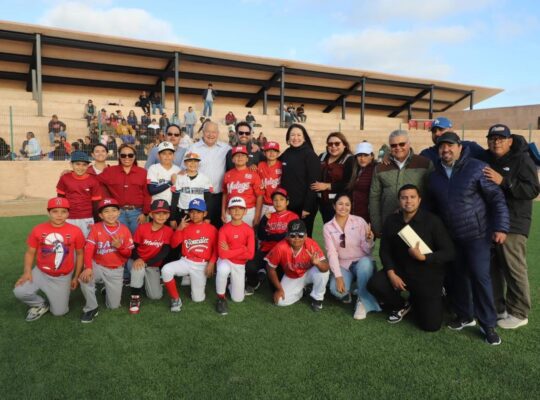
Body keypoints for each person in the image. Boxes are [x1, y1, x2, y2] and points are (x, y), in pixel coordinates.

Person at [428, 132, 509, 345]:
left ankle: (488, 324)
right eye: (442, 147)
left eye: (450, 146)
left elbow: (496, 198)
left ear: (460, 147)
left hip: (477, 235)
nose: (446, 150)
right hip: (452, 237)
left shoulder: (476, 168)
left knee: (480, 278)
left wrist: (501, 227)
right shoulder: (435, 175)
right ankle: (465, 315)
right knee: (458, 277)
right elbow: (432, 206)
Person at [367, 184, 455, 331]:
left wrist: (424, 257)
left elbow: (449, 252)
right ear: (399, 201)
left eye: (412, 197)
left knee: (430, 326)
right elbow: (385, 251)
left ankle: (426, 298)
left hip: (427, 274)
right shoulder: (391, 220)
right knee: (376, 284)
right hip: (401, 271)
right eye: (404, 198)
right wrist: (391, 273)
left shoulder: (432, 221)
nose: (408, 201)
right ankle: (402, 305)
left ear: (419, 200)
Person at [482, 124, 540, 329]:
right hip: (491, 222)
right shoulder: (488, 158)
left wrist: (504, 181)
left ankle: (519, 312)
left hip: (514, 223)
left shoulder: (522, 159)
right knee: (493, 268)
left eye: (500, 138)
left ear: (509, 141)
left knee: (513, 267)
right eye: (492, 138)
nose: (496, 142)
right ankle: (499, 308)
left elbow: (532, 190)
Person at [13, 197, 85, 321]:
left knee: (59, 312)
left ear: (68, 213)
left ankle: (56, 297)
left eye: (63, 211)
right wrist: (27, 271)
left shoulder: (75, 231)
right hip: (41, 272)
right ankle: (40, 304)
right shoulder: (38, 229)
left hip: (62, 276)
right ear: (48, 212)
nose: (59, 215)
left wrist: (75, 277)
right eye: (55, 211)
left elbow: (80, 254)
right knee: (20, 291)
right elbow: (30, 253)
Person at [323, 193, 381, 320]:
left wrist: (369, 240)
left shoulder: (359, 221)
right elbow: (331, 253)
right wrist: (338, 276)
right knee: (337, 291)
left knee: (365, 263)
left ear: (351, 206)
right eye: (340, 204)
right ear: (334, 206)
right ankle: (357, 287)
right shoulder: (327, 227)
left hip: (362, 262)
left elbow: (368, 250)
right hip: (343, 264)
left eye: (347, 204)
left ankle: (362, 301)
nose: (344, 207)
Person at [78, 198, 134, 323]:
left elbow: (128, 253)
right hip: (98, 265)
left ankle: (106, 288)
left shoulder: (124, 229)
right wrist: (88, 267)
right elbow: (88, 249)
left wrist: (120, 247)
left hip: (116, 269)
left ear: (119, 212)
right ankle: (91, 308)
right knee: (84, 278)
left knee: (114, 306)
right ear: (100, 215)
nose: (111, 214)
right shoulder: (96, 228)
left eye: (114, 210)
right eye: (106, 211)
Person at [369, 130, 432, 237]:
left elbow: (431, 195)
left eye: (402, 144)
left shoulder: (424, 164)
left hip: (418, 225)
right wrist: (377, 226)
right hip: (390, 224)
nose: (398, 148)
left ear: (409, 144)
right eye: (393, 145)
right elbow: (374, 198)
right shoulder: (380, 167)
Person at [161, 199, 218, 312]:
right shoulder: (185, 226)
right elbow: (173, 244)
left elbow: (216, 249)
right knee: (166, 270)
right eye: (192, 212)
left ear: (205, 213)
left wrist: (211, 263)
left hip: (201, 264)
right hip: (186, 261)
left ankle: (191, 278)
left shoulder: (212, 229)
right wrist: (179, 229)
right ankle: (175, 299)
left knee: (198, 299)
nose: (195, 215)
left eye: (198, 212)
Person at [265, 219, 330, 311]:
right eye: (292, 235)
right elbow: (270, 268)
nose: (297, 238)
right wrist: (279, 289)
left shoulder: (311, 244)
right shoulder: (281, 247)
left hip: (309, 273)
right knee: (280, 301)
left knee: (323, 272)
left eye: (300, 235)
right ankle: (302, 290)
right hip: (292, 276)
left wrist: (318, 263)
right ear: (287, 236)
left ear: (306, 236)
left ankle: (317, 298)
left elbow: (326, 268)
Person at [245, 188, 299, 294]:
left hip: (284, 252)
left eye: (281, 199)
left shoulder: (293, 217)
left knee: (275, 288)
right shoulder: (269, 216)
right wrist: (263, 220)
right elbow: (261, 236)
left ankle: (267, 273)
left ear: (287, 202)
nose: (278, 202)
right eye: (275, 200)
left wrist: (271, 236)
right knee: (250, 267)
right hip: (267, 250)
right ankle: (254, 283)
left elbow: (290, 237)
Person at [128, 199, 174, 314]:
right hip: (137, 260)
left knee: (156, 296)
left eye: (164, 213)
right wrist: (138, 259)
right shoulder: (142, 227)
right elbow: (133, 247)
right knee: (138, 268)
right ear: (151, 214)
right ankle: (135, 298)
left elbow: (164, 252)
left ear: (168, 215)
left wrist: (147, 263)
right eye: (158, 213)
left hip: (152, 264)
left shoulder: (168, 231)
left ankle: (145, 282)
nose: (161, 216)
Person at [98, 144, 151, 235]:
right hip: (117, 213)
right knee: (120, 239)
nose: (127, 158)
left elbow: (147, 193)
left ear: (134, 156)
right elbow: (95, 181)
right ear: (119, 156)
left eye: (130, 155)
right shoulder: (110, 171)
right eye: (123, 155)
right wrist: (107, 199)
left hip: (137, 214)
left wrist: (145, 213)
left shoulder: (142, 172)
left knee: (137, 239)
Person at [215, 197, 256, 315]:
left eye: (240, 208)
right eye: (233, 208)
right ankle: (221, 298)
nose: (237, 211)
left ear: (245, 211)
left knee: (238, 299)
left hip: (239, 264)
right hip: (226, 261)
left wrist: (231, 250)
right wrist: (242, 249)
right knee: (222, 269)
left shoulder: (249, 230)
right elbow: (222, 254)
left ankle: (230, 286)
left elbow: (251, 255)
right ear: (228, 211)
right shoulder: (223, 229)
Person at [279, 124, 321, 236]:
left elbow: (314, 184)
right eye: (292, 135)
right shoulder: (287, 153)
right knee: (290, 237)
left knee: (303, 238)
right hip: (288, 205)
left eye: (299, 135)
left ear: (304, 137)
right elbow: (272, 160)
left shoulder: (310, 155)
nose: (295, 138)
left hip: (304, 207)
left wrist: (307, 207)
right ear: (288, 138)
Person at [187, 121, 231, 227]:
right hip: (199, 196)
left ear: (218, 133)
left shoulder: (226, 148)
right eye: (208, 132)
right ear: (203, 132)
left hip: (219, 197)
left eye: (214, 132)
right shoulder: (193, 148)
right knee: (200, 228)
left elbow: (240, 156)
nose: (211, 135)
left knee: (218, 227)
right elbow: (185, 169)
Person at [56, 151, 102, 237]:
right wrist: (61, 216)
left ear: (88, 166)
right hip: (69, 217)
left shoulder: (93, 180)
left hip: (87, 218)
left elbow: (96, 204)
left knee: (86, 241)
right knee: (68, 241)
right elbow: (60, 200)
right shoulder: (64, 178)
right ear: (71, 164)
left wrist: (97, 221)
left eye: (84, 165)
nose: (81, 167)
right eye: (77, 164)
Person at [311, 132, 354, 223]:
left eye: (337, 144)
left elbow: (349, 183)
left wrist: (327, 186)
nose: (333, 146)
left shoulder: (349, 159)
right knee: (328, 228)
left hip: (339, 203)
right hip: (322, 203)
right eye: (330, 144)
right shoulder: (322, 156)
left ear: (344, 145)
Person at [221, 145, 264, 227]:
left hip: (248, 210)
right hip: (231, 210)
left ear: (247, 159)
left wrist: (257, 215)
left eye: (243, 155)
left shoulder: (253, 174)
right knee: (230, 233)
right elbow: (225, 194)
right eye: (237, 155)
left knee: (248, 233)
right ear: (232, 159)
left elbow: (260, 196)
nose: (240, 157)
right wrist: (223, 212)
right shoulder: (227, 175)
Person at [170, 151, 213, 224]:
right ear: (185, 163)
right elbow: (174, 199)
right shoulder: (179, 178)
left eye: (195, 161)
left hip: (198, 214)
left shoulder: (205, 178)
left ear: (198, 163)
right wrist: (172, 218)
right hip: (182, 213)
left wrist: (207, 217)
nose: (193, 164)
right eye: (190, 161)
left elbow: (208, 200)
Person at [419, 116, 484, 164]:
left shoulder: (470, 147)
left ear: (451, 130)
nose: (437, 133)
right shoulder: (427, 154)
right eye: (434, 131)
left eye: (441, 129)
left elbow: (488, 159)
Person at [146, 141, 181, 216]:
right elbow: (152, 190)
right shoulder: (153, 168)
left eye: (170, 153)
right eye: (164, 153)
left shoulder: (178, 170)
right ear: (158, 156)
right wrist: (170, 183)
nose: (167, 156)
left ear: (174, 156)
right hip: (157, 205)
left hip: (173, 206)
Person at [347, 142, 376, 222]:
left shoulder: (376, 169)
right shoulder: (355, 170)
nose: (362, 158)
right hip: (353, 215)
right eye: (359, 155)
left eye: (366, 155)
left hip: (367, 217)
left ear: (372, 156)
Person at [258, 141, 282, 214]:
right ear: (264, 153)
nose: (271, 153)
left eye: (274, 151)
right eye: (269, 151)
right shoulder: (260, 165)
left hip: (279, 204)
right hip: (264, 204)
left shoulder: (282, 165)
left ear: (278, 153)